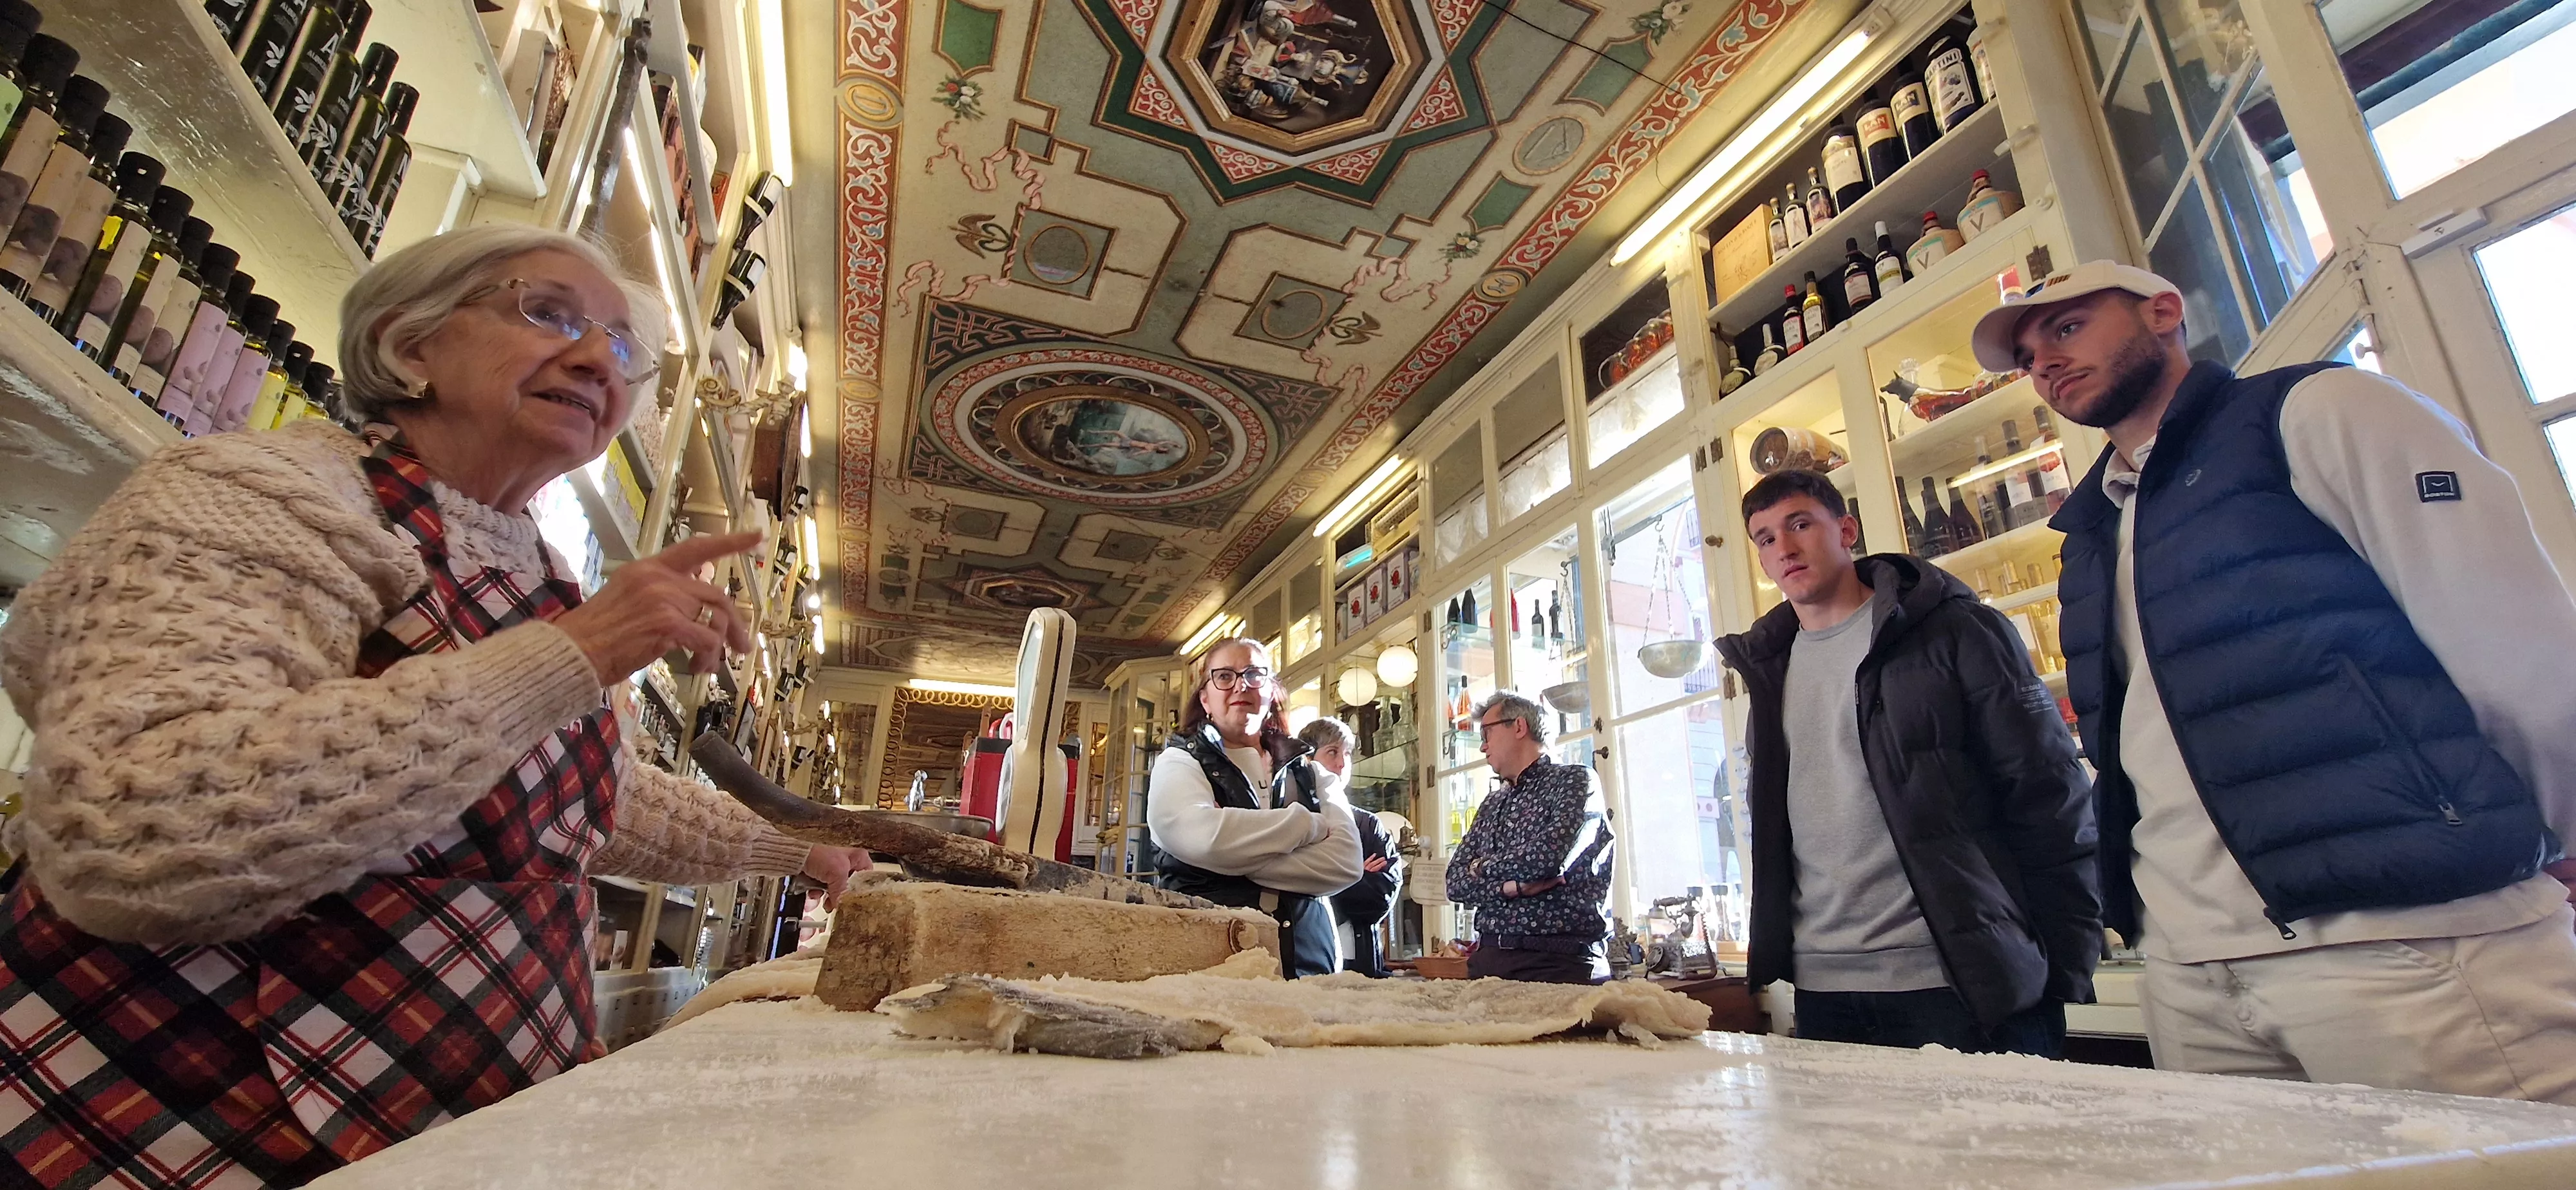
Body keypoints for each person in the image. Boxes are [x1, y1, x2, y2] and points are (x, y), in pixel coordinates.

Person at [0, 224, 871, 1185]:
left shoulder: (530, 563)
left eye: (626, 351)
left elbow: (575, 801)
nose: (596, 360)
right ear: (409, 344)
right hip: (183, 1102)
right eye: (548, 313)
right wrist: (572, 654)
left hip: (426, 1103)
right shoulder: (260, 495)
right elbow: (127, 832)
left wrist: (802, 849)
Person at [1978, 258, 2576, 1101]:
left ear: (2162, 311)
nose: (2047, 362)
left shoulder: (2316, 411)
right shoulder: (2095, 527)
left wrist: (2549, 837)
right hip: (2191, 969)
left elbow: (2516, 647)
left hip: (2404, 942)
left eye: (2069, 327)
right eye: (2030, 355)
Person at [1715, 470, 2100, 1056]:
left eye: (1799, 524)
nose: (1784, 548)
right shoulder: (1769, 666)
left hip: (1956, 982)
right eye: (1765, 539)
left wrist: (2066, 962)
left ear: (1846, 530)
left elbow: (2048, 792)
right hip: (1821, 987)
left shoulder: (1954, 629)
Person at [1149, 638, 1363, 978]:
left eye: (1253, 674)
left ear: (1271, 691)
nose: (1240, 685)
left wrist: (1226, 860)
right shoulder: (1178, 763)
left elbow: (1347, 863)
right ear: (1205, 697)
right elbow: (1205, 837)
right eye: (1224, 676)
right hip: (1209, 967)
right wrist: (1308, 826)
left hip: (1309, 969)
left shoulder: (1312, 773)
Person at [1445, 692, 1615, 983]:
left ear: (1519, 727)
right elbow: (1454, 883)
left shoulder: (1575, 781)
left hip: (1559, 964)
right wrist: (1513, 888)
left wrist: (1481, 868)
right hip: (1487, 962)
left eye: (1487, 733)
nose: (1483, 746)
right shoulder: (1492, 804)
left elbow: (1548, 859)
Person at [1299, 717, 1403, 977]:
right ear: (1308, 759)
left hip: (1363, 963)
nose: (1342, 763)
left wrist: (1332, 879)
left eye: (1347, 754)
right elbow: (1295, 888)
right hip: (1307, 959)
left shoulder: (1368, 825)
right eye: (1332, 752)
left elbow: (1382, 897)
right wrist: (1357, 873)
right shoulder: (1294, 819)